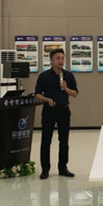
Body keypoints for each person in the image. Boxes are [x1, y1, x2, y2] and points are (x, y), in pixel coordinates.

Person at [34, 48, 78, 179]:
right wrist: (46, 100)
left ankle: (63, 168)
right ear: (51, 60)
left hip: (64, 110)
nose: (61, 61)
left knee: (64, 140)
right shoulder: (44, 76)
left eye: (62, 58)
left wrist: (66, 88)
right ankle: (45, 169)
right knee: (46, 140)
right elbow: (37, 94)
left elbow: (75, 94)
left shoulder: (68, 75)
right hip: (49, 111)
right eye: (58, 58)